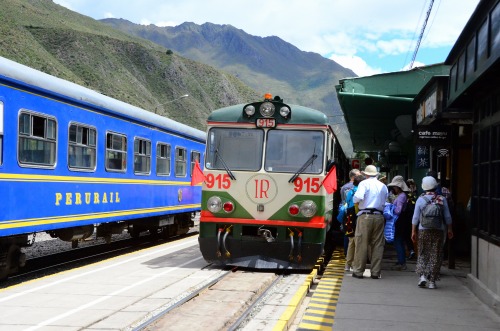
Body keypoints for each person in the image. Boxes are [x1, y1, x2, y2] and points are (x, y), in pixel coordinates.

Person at [411, 176, 453, 289]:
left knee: (423, 253)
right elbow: (447, 216)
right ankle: (432, 281)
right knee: (436, 254)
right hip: (438, 230)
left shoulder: (420, 199)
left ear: (424, 187)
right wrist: (449, 229)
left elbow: (415, 217)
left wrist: (413, 231)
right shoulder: (441, 199)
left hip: (423, 229)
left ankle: (423, 276)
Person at [351, 165, 388, 279]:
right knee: (378, 244)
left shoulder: (364, 183)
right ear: (376, 174)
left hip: (365, 216)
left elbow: (357, 198)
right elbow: (386, 200)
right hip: (379, 217)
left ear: (366, 174)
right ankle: (376, 272)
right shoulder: (383, 186)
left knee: (362, 244)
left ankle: (358, 271)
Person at [387, 176, 411, 270]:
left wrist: (390, 208)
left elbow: (398, 211)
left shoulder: (401, 197)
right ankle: (400, 260)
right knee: (398, 241)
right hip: (402, 221)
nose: (394, 188)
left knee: (398, 242)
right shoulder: (402, 196)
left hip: (399, 221)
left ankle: (402, 262)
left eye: (395, 187)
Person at [343, 174, 364, 271]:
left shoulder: (350, 191)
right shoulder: (361, 191)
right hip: (358, 215)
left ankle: (348, 264)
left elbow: (347, 202)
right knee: (359, 241)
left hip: (349, 217)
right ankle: (356, 263)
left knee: (351, 241)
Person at [339, 168, 361, 255]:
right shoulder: (357, 187)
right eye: (359, 175)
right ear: (354, 177)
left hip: (346, 212)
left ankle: (346, 253)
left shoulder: (344, 187)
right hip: (355, 212)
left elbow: (344, 201)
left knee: (347, 232)